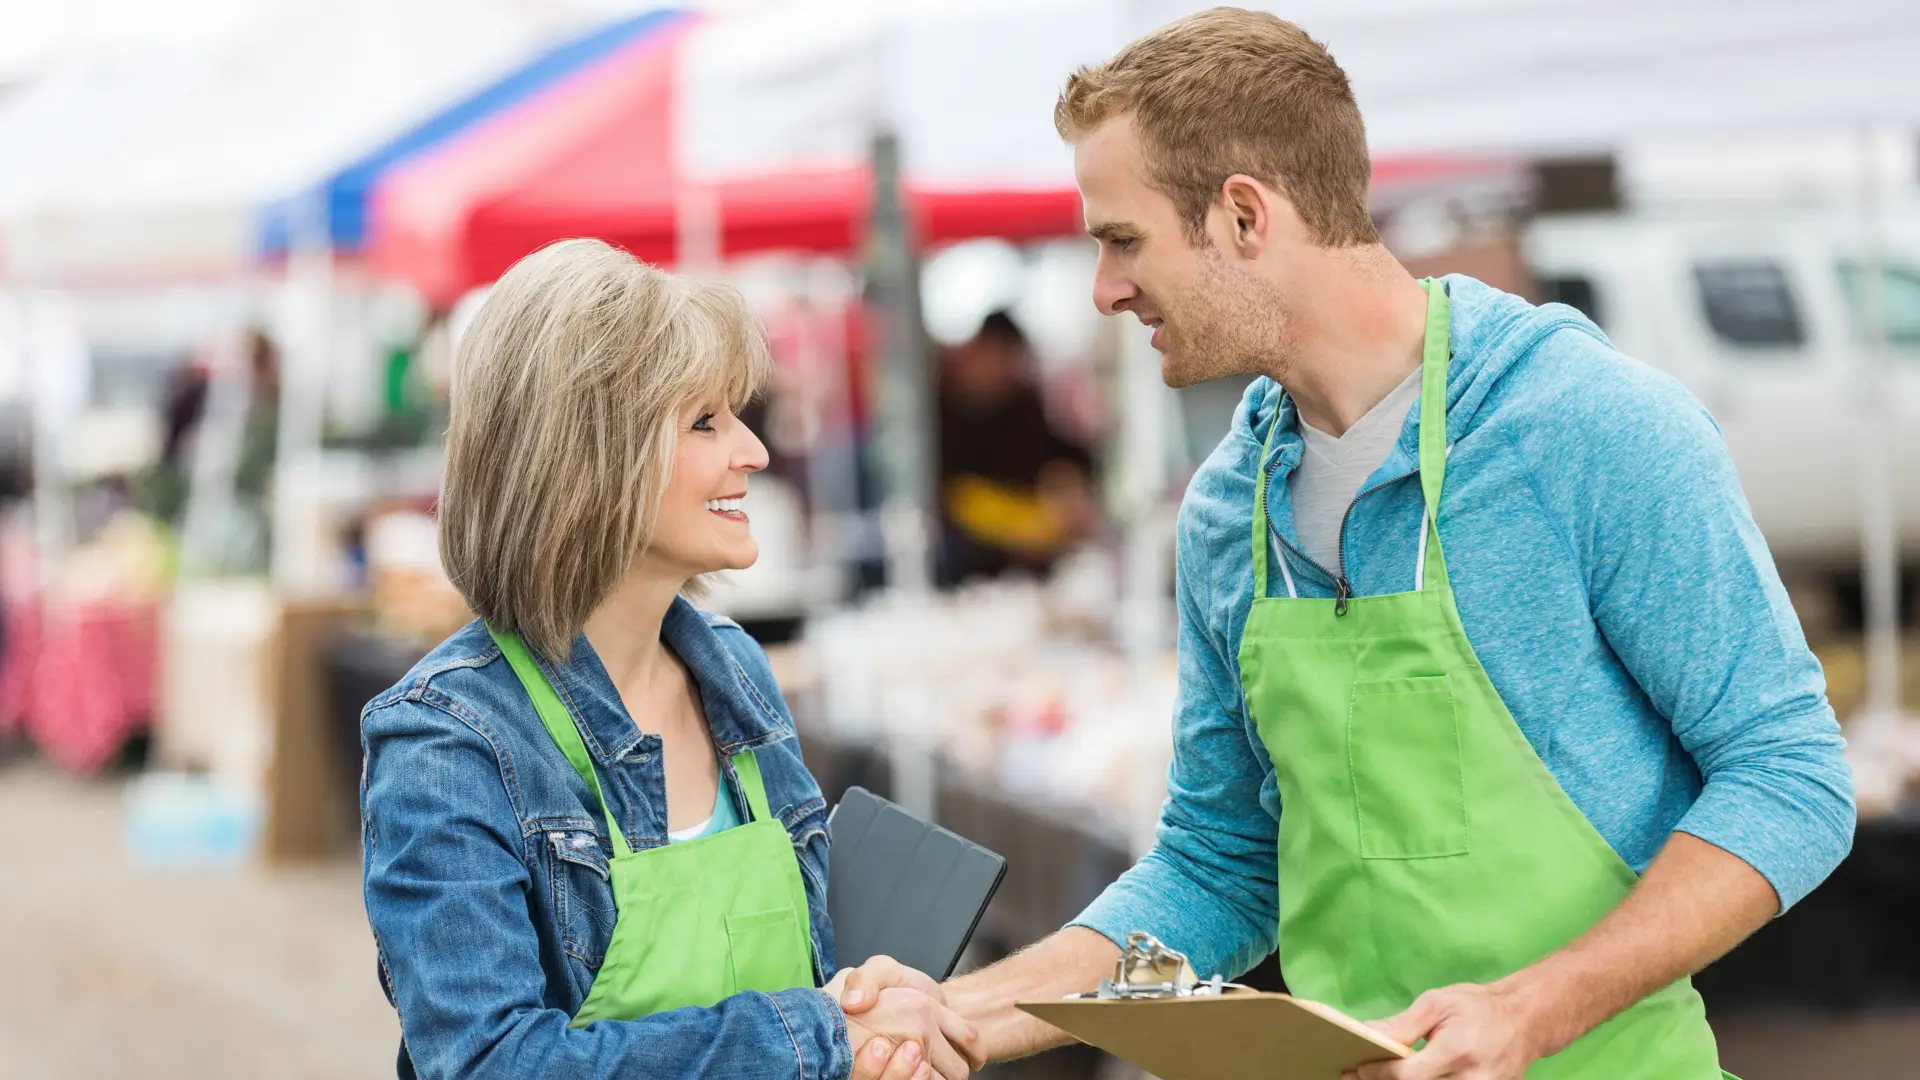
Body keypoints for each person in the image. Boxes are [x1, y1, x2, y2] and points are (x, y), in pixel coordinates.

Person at [846, 10, 1855, 1079]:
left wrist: (1533, 1010)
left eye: (1122, 239)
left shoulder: (1584, 427)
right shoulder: (1228, 507)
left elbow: (1790, 775)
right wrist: (965, 1011)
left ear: (1243, 214)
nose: (1104, 289)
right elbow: (1219, 865)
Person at [360, 239, 982, 1080]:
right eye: (705, 422)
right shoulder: (449, 744)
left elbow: (811, 979)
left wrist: (871, 1015)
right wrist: (818, 1036)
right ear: (584, 455)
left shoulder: (735, 673)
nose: (754, 451)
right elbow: (491, 1064)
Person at [934, 310, 1097, 585]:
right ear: (977, 349)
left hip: (1030, 562)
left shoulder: (1022, 402)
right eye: (995, 357)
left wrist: (1069, 480)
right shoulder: (936, 411)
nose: (999, 371)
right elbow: (955, 498)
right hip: (962, 559)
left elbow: (1064, 456)